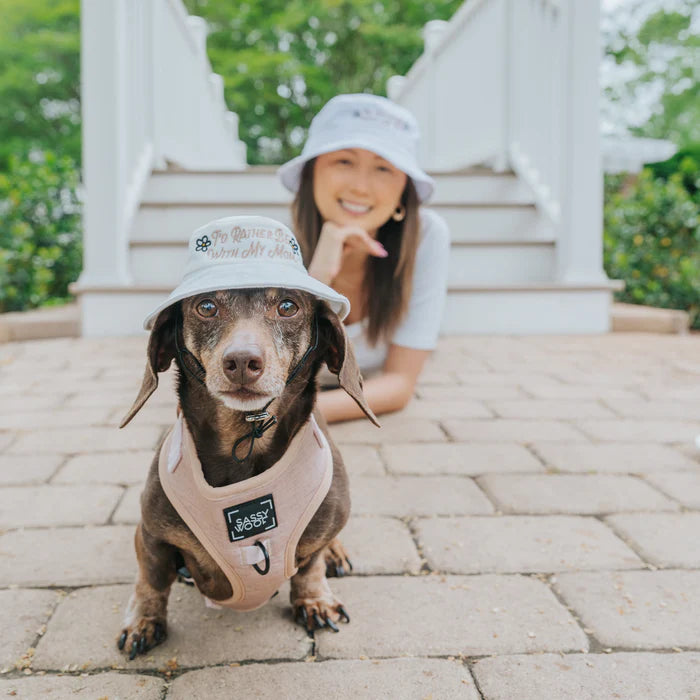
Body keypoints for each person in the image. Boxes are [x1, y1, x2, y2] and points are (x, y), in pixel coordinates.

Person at [277, 93, 450, 423]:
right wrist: (316, 282)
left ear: (404, 191)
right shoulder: (276, 241)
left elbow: (399, 384)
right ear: (312, 173)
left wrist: (283, 417)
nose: (360, 187)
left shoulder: (427, 236)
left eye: (383, 168)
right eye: (344, 161)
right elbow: (279, 375)